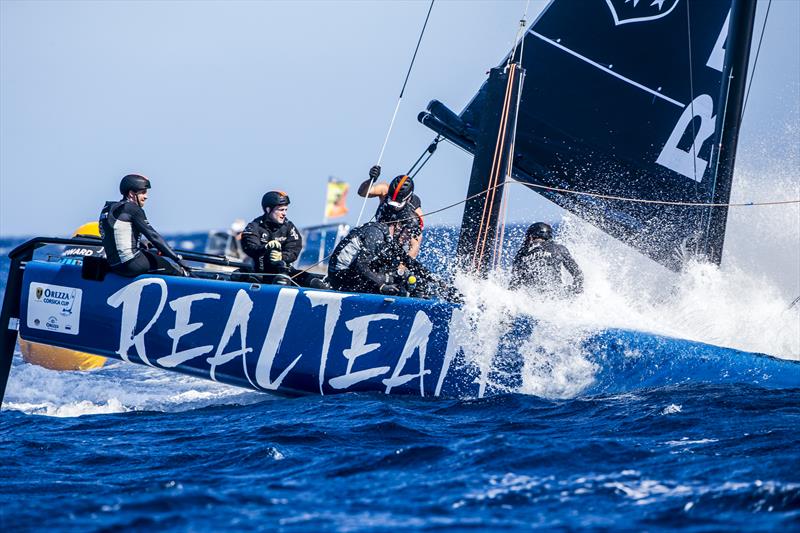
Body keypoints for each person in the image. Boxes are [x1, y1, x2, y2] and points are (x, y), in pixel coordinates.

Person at [327, 209, 450, 299]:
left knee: (403, 276)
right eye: (408, 233)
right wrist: (381, 286)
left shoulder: (389, 239)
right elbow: (361, 265)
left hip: (353, 273)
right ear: (398, 225)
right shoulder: (376, 233)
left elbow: (410, 262)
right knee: (393, 280)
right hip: (340, 277)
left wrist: (438, 282)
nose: (408, 239)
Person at [99, 174, 189, 277]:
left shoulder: (108, 208)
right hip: (131, 264)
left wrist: (140, 243)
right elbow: (153, 236)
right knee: (173, 268)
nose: (146, 197)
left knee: (153, 257)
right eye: (143, 192)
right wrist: (178, 258)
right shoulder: (133, 209)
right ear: (132, 193)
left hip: (114, 266)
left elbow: (113, 234)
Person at [358, 166, 424, 258]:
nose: (393, 206)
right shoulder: (384, 190)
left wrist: (401, 269)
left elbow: (415, 246)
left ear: (407, 199)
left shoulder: (415, 211)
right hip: (376, 239)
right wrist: (370, 180)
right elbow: (362, 192)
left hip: (398, 248)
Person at [241, 190, 303, 280]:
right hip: (258, 274)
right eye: (281, 210)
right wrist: (265, 248)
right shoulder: (254, 226)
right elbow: (250, 247)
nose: (284, 214)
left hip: (284, 273)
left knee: (313, 281)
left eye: (286, 210)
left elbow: (294, 248)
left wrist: (281, 256)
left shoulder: (289, 226)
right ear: (268, 209)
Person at [510, 222, 584, 296]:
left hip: (533, 300)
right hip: (556, 296)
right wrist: (575, 290)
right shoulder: (559, 249)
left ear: (531, 237)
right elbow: (578, 274)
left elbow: (514, 284)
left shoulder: (521, 254)